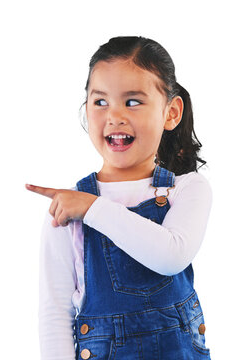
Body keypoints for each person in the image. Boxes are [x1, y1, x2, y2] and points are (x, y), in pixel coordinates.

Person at [26, 36, 213, 359]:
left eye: (132, 102)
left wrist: (92, 207)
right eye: (100, 102)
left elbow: (171, 255)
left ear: (171, 113)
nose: (114, 116)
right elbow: (55, 316)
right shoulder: (66, 209)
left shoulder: (188, 189)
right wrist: (83, 206)